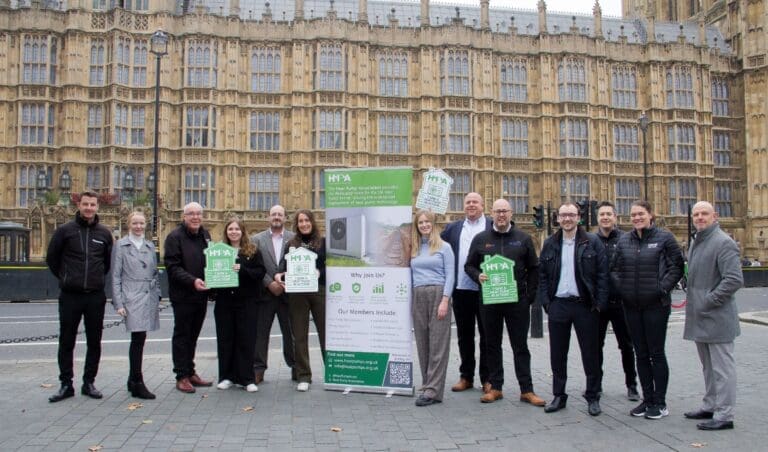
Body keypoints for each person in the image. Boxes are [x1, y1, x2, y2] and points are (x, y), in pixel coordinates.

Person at [464, 199, 546, 406]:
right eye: (498, 211)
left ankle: (527, 390)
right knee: (492, 345)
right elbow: (469, 266)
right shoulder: (481, 239)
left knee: (520, 346)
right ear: (492, 213)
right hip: (490, 300)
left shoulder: (523, 238)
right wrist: (478, 276)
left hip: (516, 301)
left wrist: (529, 297)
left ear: (511, 214)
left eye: (505, 211)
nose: (501, 215)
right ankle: (496, 387)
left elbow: (534, 269)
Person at [611, 200, 684, 420]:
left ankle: (660, 402)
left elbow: (677, 266)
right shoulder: (625, 240)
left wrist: (661, 289)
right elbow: (615, 269)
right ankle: (647, 398)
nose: (636, 218)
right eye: (633, 215)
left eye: (641, 214)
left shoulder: (665, 238)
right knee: (640, 354)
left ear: (650, 215)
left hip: (656, 306)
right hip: (632, 306)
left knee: (656, 353)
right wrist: (622, 289)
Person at [538, 202, 608, 416]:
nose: (567, 219)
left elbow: (603, 275)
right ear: (557, 219)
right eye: (563, 215)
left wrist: (599, 304)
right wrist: (547, 303)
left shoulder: (592, 241)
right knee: (558, 354)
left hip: (584, 305)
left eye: (571, 215)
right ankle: (559, 395)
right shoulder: (550, 243)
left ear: (579, 217)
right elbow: (542, 275)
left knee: (591, 354)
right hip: (558, 304)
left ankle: (593, 396)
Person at [46, 191, 113, 403]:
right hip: (70, 295)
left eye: (92, 205)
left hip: (95, 295)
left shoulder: (104, 233)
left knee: (94, 341)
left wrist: (93, 279)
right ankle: (66, 384)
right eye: (85, 204)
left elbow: (107, 263)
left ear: (97, 207)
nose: (89, 208)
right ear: (79, 205)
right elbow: (52, 259)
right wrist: (67, 277)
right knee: (67, 341)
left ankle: (89, 382)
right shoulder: (65, 231)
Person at [683, 201, 743, 431]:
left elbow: (734, 279)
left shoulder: (723, 242)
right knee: (708, 366)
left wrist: (709, 300)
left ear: (714, 216)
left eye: (704, 214)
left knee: (722, 368)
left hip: (716, 315)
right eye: (696, 214)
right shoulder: (697, 241)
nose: (699, 217)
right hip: (701, 315)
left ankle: (725, 414)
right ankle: (710, 404)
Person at [440, 192, 493, 393]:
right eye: (468, 202)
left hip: (486, 289)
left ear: (482, 205)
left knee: (488, 335)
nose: (471, 205)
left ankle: (487, 378)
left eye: (475, 202)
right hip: (461, 289)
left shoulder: (491, 225)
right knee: (464, 335)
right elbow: (437, 247)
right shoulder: (452, 228)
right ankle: (466, 376)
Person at [110, 210, 161, 399]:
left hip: (148, 296)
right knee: (137, 339)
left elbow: (154, 273)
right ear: (128, 225)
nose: (139, 227)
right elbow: (115, 276)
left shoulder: (149, 245)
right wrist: (118, 303)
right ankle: (137, 381)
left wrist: (158, 295)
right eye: (135, 223)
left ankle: (133, 380)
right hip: (132, 296)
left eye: (141, 223)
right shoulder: (121, 246)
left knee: (141, 339)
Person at [275, 209, 326, 392]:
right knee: (299, 335)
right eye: (300, 221)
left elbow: (329, 265)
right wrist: (280, 274)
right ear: (296, 224)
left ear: (312, 222)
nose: (304, 224)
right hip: (297, 293)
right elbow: (283, 266)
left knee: (325, 333)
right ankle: (304, 375)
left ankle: (332, 372)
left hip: (318, 291)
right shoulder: (292, 243)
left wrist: (320, 272)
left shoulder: (323, 243)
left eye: (306, 220)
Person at [164, 202, 213, 393]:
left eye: (198, 214)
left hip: (200, 295)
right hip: (183, 295)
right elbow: (173, 267)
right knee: (182, 336)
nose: (195, 217)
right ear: (184, 217)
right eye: (191, 214)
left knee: (193, 336)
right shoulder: (174, 237)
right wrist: (192, 281)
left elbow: (211, 261)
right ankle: (181, 376)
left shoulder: (205, 235)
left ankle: (190, 371)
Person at [214, 218, 266, 393]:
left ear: (243, 231)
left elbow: (260, 272)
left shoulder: (252, 251)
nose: (234, 232)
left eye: (237, 229)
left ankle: (247, 379)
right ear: (226, 232)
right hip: (225, 302)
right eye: (230, 229)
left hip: (247, 302)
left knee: (246, 340)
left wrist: (242, 270)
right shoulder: (218, 251)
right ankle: (226, 377)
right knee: (226, 340)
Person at [594, 201, 639, 401]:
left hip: (621, 302)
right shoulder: (590, 240)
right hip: (598, 303)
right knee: (595, 346)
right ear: (597, 218)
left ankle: (631, 385)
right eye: (602, 214)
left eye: (608, 214)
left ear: (615, 217)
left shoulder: (626, 239)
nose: (605, 217)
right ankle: (596, 385)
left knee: (627, 346)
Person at [410, 209, 455, 406]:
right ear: (417, 226)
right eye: (421, 223)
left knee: (438, 344)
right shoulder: (414, 248)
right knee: (422, 343)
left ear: (433, 224)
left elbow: (450, 275)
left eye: (427, 222)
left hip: (438, 293)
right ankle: (427, 384)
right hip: (418, 294)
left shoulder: (444, 247)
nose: (424, 225)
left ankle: (434, 391)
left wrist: (445, 300)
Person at [251, 205, 296, 384]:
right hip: (265, 294)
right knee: (260, 333)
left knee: (291, 333)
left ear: (285, 218)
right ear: (268, 217)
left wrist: (285, 283)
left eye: (280, 214)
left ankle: (296, 367)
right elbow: (254, 266)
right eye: (273, 214)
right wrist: (269, 283)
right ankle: (258, 369)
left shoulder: (294, 238)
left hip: (288, 294)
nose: (277, 217)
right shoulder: (256, 239)